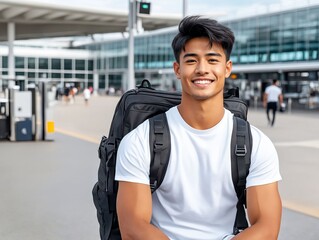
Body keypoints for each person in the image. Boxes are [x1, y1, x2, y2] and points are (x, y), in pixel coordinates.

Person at [115, 16, 282, 240]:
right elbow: (133, 228)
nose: (202, 69)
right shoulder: (140, 140)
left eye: (213, 60)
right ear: (177, 68)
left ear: (227, 68)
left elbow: (267, 228)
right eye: (192, 60)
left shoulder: (256, 144)